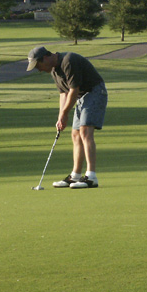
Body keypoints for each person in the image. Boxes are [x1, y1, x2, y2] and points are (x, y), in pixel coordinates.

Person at [27, 46, 108, 188]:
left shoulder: (68, 61)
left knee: (85, 131)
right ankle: (75, 176)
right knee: (75, 134)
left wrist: (65, 113)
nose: (38, 70)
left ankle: (91, 176)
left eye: (38, 65)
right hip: (82, 97)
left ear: (45, 57)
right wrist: (60, 117)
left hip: (95, 92)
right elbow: (63, 94)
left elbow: (73, 90)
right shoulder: (54, 71)